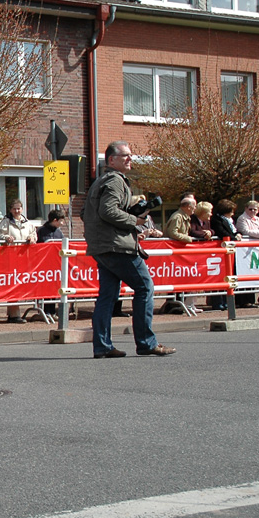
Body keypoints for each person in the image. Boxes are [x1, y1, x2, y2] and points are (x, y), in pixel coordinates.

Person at [82, 141, 175, 359]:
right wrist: (134, 220)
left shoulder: (99, 182)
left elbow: (87, 213)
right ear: (111, 160)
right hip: (118, 247)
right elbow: (107, 211)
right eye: (125, 156)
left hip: (102, 246)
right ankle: (146, 343)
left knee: (107, 296)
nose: (130, 159)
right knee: (144, 287)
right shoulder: (115, 180)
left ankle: (103, 346)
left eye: (130, 155)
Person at [0, 199, 37, 323]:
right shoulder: (5, 222)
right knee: (13, 284)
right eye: (14, 209)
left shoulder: (28, 223)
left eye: (19, 208)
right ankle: (14, 314)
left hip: (25, 258)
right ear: (10, 210)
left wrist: (32, 237)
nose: (17, 211)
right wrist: (6, 237)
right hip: (11, 258)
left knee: (22, 285)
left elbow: (34, 234)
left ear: (22, 209)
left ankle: (18, 311)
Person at [210, 199, 243, 310]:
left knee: (228, 276)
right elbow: (221, 232)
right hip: (219, 250)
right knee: (218, 276)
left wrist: (237, 234)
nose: (233, 214)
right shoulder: (216, 219)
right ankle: (218, 302)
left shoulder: (229, 220)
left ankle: (226, 300)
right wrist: (234, 238)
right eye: (231, 211)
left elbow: (233, 231)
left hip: (229, 250)